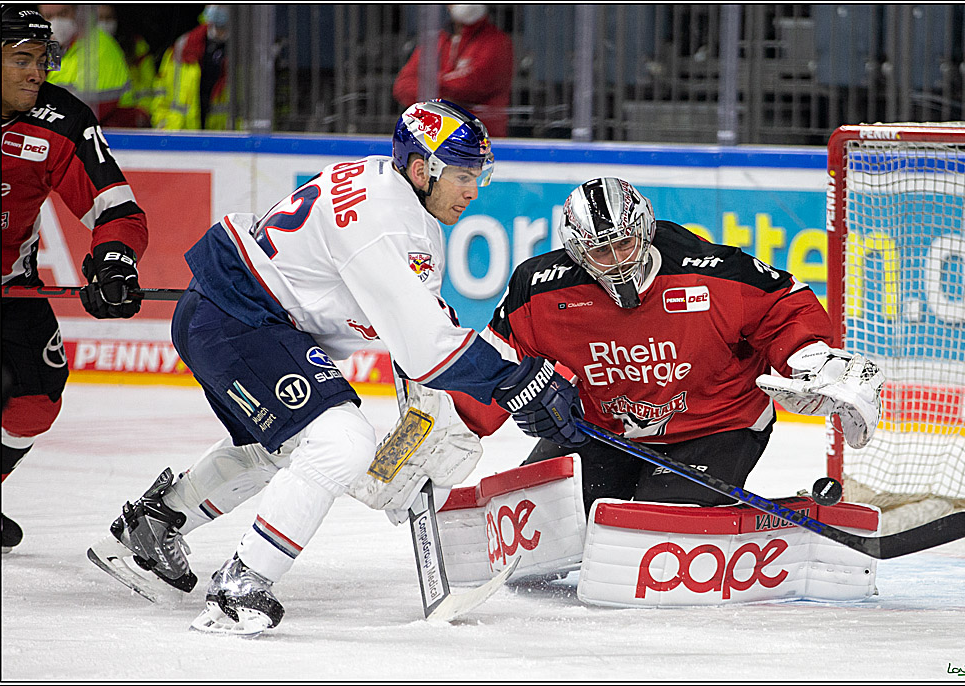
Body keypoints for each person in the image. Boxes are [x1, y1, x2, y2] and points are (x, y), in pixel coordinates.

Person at [87, 99, 584, 636]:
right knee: (339, 442)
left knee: (288, 446)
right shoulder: (385, 222)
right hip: (239, 318)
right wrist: (515, 382)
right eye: (464, 175)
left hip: (239, 313)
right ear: (423, 170)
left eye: (479, 175)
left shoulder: (394, 199)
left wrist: (487, 383)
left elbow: (419, 324)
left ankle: (155, 526)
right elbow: (425, 347)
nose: (474, 190)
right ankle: (241, 584)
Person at [450, 177, 885, 515]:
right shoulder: (538, 291)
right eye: (601, 251)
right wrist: (448, 430)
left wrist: (811, 360)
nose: (618, 259)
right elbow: (499, 363)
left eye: (625, 242)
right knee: (542, 515)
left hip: (715, 427)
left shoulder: (711, 272)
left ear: (645, 228)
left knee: (656, 516)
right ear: (577, 253)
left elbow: (782, 307)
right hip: (602, 431)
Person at [1, 7, 148, 552]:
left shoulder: (60, 118)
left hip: (11, 289)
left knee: (36, 398)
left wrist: (114, 260)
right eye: (21, 60)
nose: (35, 73)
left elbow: (118, 211)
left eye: (41, 60)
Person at [393, 5, 513, 137]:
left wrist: (430, 87)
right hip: (434, 138)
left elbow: (471, 86)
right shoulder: (436, 41)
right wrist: (447, 96)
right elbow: (402, 86)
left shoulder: (497, 42)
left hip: (480, 138)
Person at [37, 4, 131, 125]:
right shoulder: (55, 48)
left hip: (110, 134)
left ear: (78, 12)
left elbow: (90, 110)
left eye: (63, 14)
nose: (56, 22)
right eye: (48, 16)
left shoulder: (98, 46)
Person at [150, 4, 229, 130]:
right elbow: (161, 92)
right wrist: (162, 124)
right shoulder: (184, 46)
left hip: (227, 141)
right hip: (180, 137)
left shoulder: (248, 52)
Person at [96, 4, 158, 127]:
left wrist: (143, 111)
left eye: (109, 18)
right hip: (100, 117)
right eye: (100, 18)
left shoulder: (136, 46)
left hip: (130, 118)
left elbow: (149, 87)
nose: (104, 23)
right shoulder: (82, 49)